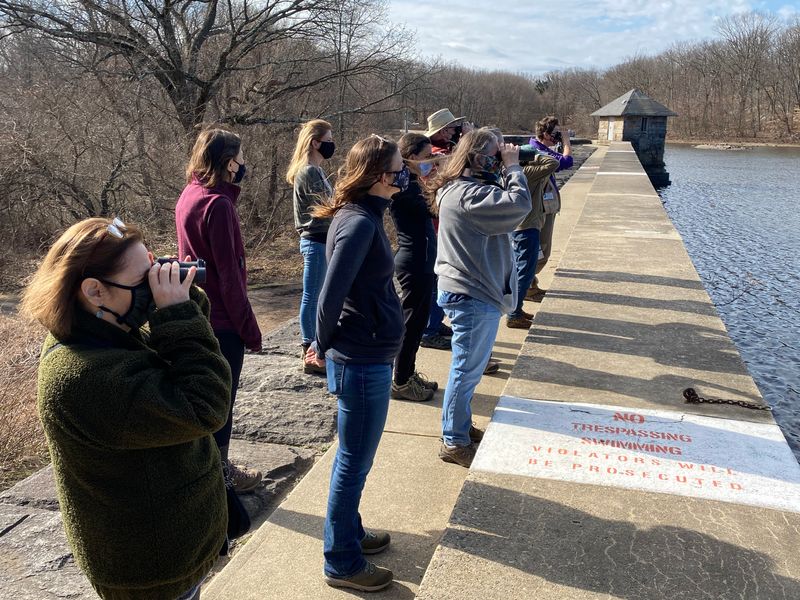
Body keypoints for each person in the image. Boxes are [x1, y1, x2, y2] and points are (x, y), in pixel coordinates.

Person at [21, 217, 231, 600]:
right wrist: (177, 312)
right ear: (94, 291)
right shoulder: (83, 376)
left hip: (165, 547)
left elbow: (183, 359)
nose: (153, 285)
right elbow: (206, 404)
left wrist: (181, 296)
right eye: (142, 281)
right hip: (151, 569)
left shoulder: (102, 329)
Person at [305, 135, 406, 592]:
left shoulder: (366, 215)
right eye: (400, 169)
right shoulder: (359, 222)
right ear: (380, 176)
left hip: (368, 355)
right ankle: (341, 561)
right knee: (352, 462)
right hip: (359, 359)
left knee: (356, 459)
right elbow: (330, 293)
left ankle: (352, 532)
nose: (405, 175)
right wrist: (320, 345)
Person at [427, 128, 531, 467]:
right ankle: (454, 441)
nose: (499, 156)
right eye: (494, 152)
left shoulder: (461, 190)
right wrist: (513, 168)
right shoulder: (469, 197)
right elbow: (519, 206)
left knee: (467, 370)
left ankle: (458, 425)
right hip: (472, 295)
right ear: (476, 157)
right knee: (465, 371)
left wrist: (504, 167)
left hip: (469, 290)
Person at [175, 128, 263, 493]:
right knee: (221, 402)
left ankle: (205, 471)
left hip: (195, 311)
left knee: (204, 398)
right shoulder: (218, 204)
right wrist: (249, 328)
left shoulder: (189, 193)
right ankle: (220, 475)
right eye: (241, 158)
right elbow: (230, 276)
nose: (243, 165)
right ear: (229, 162)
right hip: (222, 320)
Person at [388, 132, 439, 402]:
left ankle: (407, 373)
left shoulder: (413, 182)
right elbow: (435, 208)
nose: (431, 160)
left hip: (422, 259)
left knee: (418, 323)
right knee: (412, 323)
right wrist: (443, 177)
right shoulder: (403, 186)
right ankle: (401, 381)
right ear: (411, 157)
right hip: (413, 261)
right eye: (427, 156)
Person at [287, 119, 335, 374]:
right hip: (315, 241)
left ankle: (315, 347)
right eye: (328, 140)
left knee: (317, 296)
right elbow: (328, 207)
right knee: (312, 295)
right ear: (315, 142)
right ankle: (309, 349)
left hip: (320, 240)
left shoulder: (314, 170)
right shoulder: (310, 172)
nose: (331, 144)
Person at [506, 151, 560, 329]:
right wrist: (533, 151)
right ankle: (514, 314)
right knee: (525, 273)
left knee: (523, 271)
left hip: (521, 226)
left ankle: (516, 310)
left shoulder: (512, 171)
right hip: (526, 228)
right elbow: (553, 163)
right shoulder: (527, 172)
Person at [527, 116, 573, 301]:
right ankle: (526, 286)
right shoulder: (537, 150)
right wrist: (567, 142)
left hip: (543, 206)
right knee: (541, 251)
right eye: (556, 134)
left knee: (538, 250)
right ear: (545, 134)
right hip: (539, 208)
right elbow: (566, 162)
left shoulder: (539, 148)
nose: (558, 138)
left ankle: (530, 285)